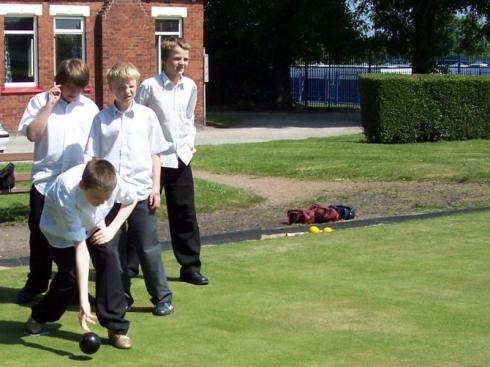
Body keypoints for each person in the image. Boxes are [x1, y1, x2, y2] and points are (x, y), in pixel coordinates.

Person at [85, 62, 173, 316]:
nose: (127, 91)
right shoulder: (101, 119)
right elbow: (93, 157)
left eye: (132, 86)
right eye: (122, 87)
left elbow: (155, 154)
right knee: (112, 249)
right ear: (111, 88)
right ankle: (121, 296)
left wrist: (156, 187)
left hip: (142, 192)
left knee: (148, 246)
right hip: (110, 196)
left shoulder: (147, 116)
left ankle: (162, 297)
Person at [24, 159, 137, 349]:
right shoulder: (66, 190)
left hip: (94, 225)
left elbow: (131, 200)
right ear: (83, 185)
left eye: (105, 199)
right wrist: (84, 301)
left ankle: (116, 327)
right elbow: (81, 249)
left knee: (110, 258)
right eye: (96, 199)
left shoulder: (112, 182)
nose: (101, 203)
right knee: (70, 276)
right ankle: (39, 317)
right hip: (60, 231)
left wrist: (112, 229)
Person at [16, 59, 99, 304]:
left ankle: (72, 285)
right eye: (69, 86)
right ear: (59, 82)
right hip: (45, 180)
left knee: (75, 234)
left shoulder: (89, 108)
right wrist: (49, 105)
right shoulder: (39, 102)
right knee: (40, 235)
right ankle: (36, 283)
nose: (73, 92)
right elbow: (32, 134)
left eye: (78, 87)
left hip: (76, 184)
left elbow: (95, 145)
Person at [135, 37, 208, 286]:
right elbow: (136, 118)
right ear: (164, 59)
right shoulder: (149, 86)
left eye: (185, 59)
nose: (182, 63)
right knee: (142, 212)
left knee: (185, 213)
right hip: (152, 159)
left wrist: (189, 141)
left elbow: (188, 119)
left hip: (180, 158)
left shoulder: (190, 86)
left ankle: (190, 267)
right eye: (177, 58)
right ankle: (131, 265)